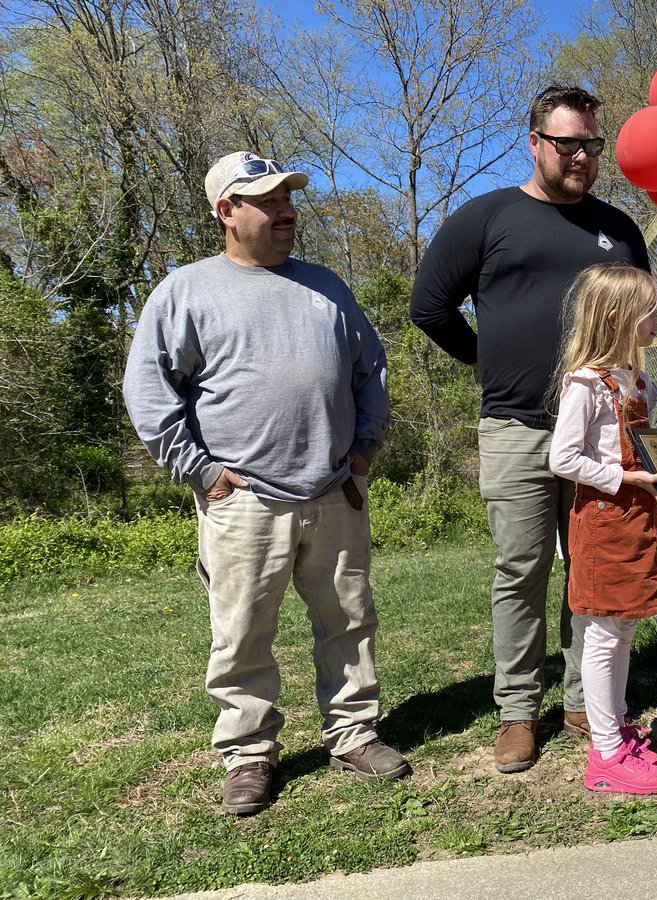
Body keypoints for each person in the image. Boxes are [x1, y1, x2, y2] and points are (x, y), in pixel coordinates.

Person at [123, 151, 410, 816]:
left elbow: (371, 371)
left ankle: (354, 734)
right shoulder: (185, 291)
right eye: (268, 201)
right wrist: (201, 471)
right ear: (227, 211)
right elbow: (149, 392)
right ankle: (249, 754)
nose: (286, 211)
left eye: (287, 198)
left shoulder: (326, 286)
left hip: (334, 492)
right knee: (242, 633)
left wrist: (363, 452)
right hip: (244, 501)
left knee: (348, 622)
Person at [410, 86, 651, 774]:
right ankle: (518, 710)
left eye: (592, 145)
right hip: (516, 428)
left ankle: (584, 701)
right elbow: (430, 306)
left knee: (593, 566)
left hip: (602, 431)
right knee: (522, 568)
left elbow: (637, 319)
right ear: (535, 143)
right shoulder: (487, 217)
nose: (581, 157)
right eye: (567, 143)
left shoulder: (619, 229)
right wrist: (488, 361)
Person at [548, 263, 657, 795]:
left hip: (637, 519)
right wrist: (624, 478)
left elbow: (643, 450)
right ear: (615, 317)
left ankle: (617, 728)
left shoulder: (639, 383)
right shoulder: (585, 384)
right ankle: (605, 753)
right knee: (603, 634)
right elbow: (563, 458)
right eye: (650, 312)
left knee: (624, 628)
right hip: (603, 523)